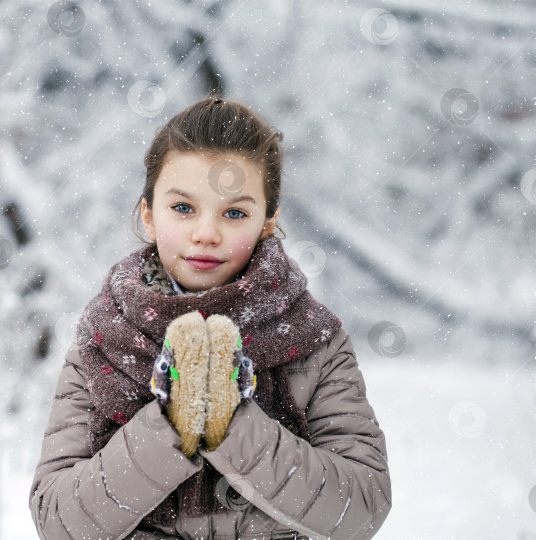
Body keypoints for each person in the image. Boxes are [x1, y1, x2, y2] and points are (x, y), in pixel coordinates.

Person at [29, 96, 392, 539]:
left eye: (234, 213)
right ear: (148, 214)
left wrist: (233, 426)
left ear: (266, 223)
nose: (206, 233)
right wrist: (171, 428)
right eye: (183, 208)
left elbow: (362, 507)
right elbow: (58, 520)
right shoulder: (105, 337)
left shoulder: (314, 340)